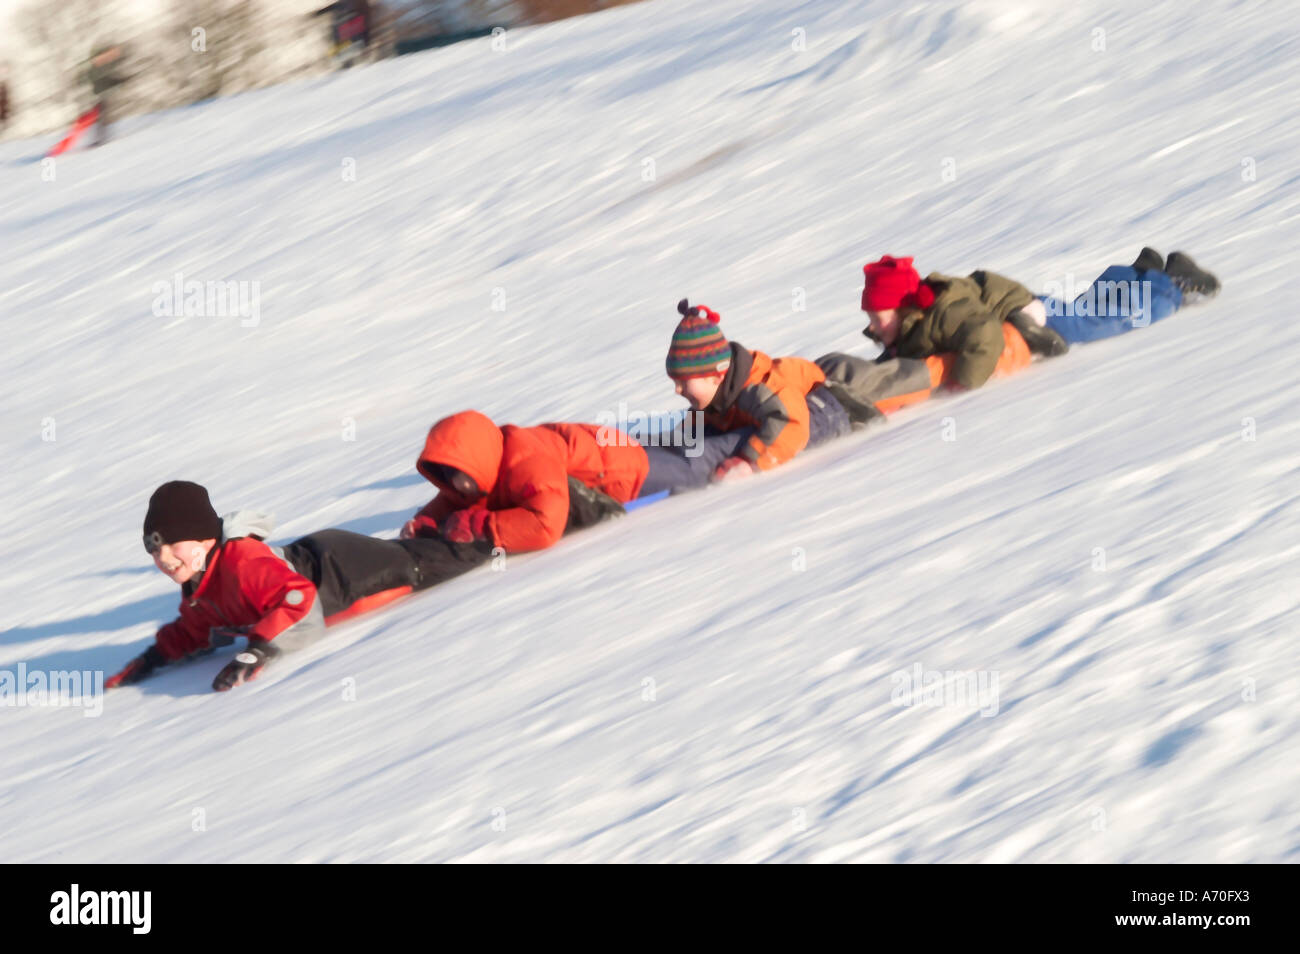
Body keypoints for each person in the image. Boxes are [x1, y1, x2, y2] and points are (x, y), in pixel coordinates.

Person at [108, 481, 494, 692]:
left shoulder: (242, 562)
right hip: (321, 558)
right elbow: (195, 629)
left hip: (342, 571)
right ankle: (459, 516)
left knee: (431, 562)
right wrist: (153, 659)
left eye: (173, 546)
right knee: (424, 550)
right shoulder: (199, 585)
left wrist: (259, 650)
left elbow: (300, 601)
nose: (164, 559)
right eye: (155, 552)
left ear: (204, 541)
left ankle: (501, 523)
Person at [634, 300, 881, 496]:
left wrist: (748, 461)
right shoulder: (710, 399)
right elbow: (689, 434)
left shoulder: (756, 389)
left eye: (683, 382)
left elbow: (790, 420)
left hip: (829, 399)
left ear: (716, 376)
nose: (677, 390)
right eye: (675, 382)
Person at [402, 410, 649, 552]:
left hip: (628, 470)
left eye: (462, 474)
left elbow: (544, 524)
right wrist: (425, 523)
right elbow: (453, 501)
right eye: (451, 477)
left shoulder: (526, 463)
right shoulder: (487, 463)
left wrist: (482, 526)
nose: (459, 485)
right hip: (596, 445)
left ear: (478, 460)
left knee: (684, 463)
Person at [1038, 247, 1220, 344]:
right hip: (1021, 314)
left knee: (1083, 323)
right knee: (1077, 314)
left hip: (1020, 326)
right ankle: (1135, 276)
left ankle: (1168, 284)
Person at [84, 43, 127, 146]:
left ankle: (102, 138)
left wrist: (119, 81)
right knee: (102, 117)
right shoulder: (97, 67)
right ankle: (101, 139)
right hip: (99, 95)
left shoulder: (105, 65)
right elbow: (104, 80)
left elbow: (108, 79)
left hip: (102, 95)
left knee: (104, 117)